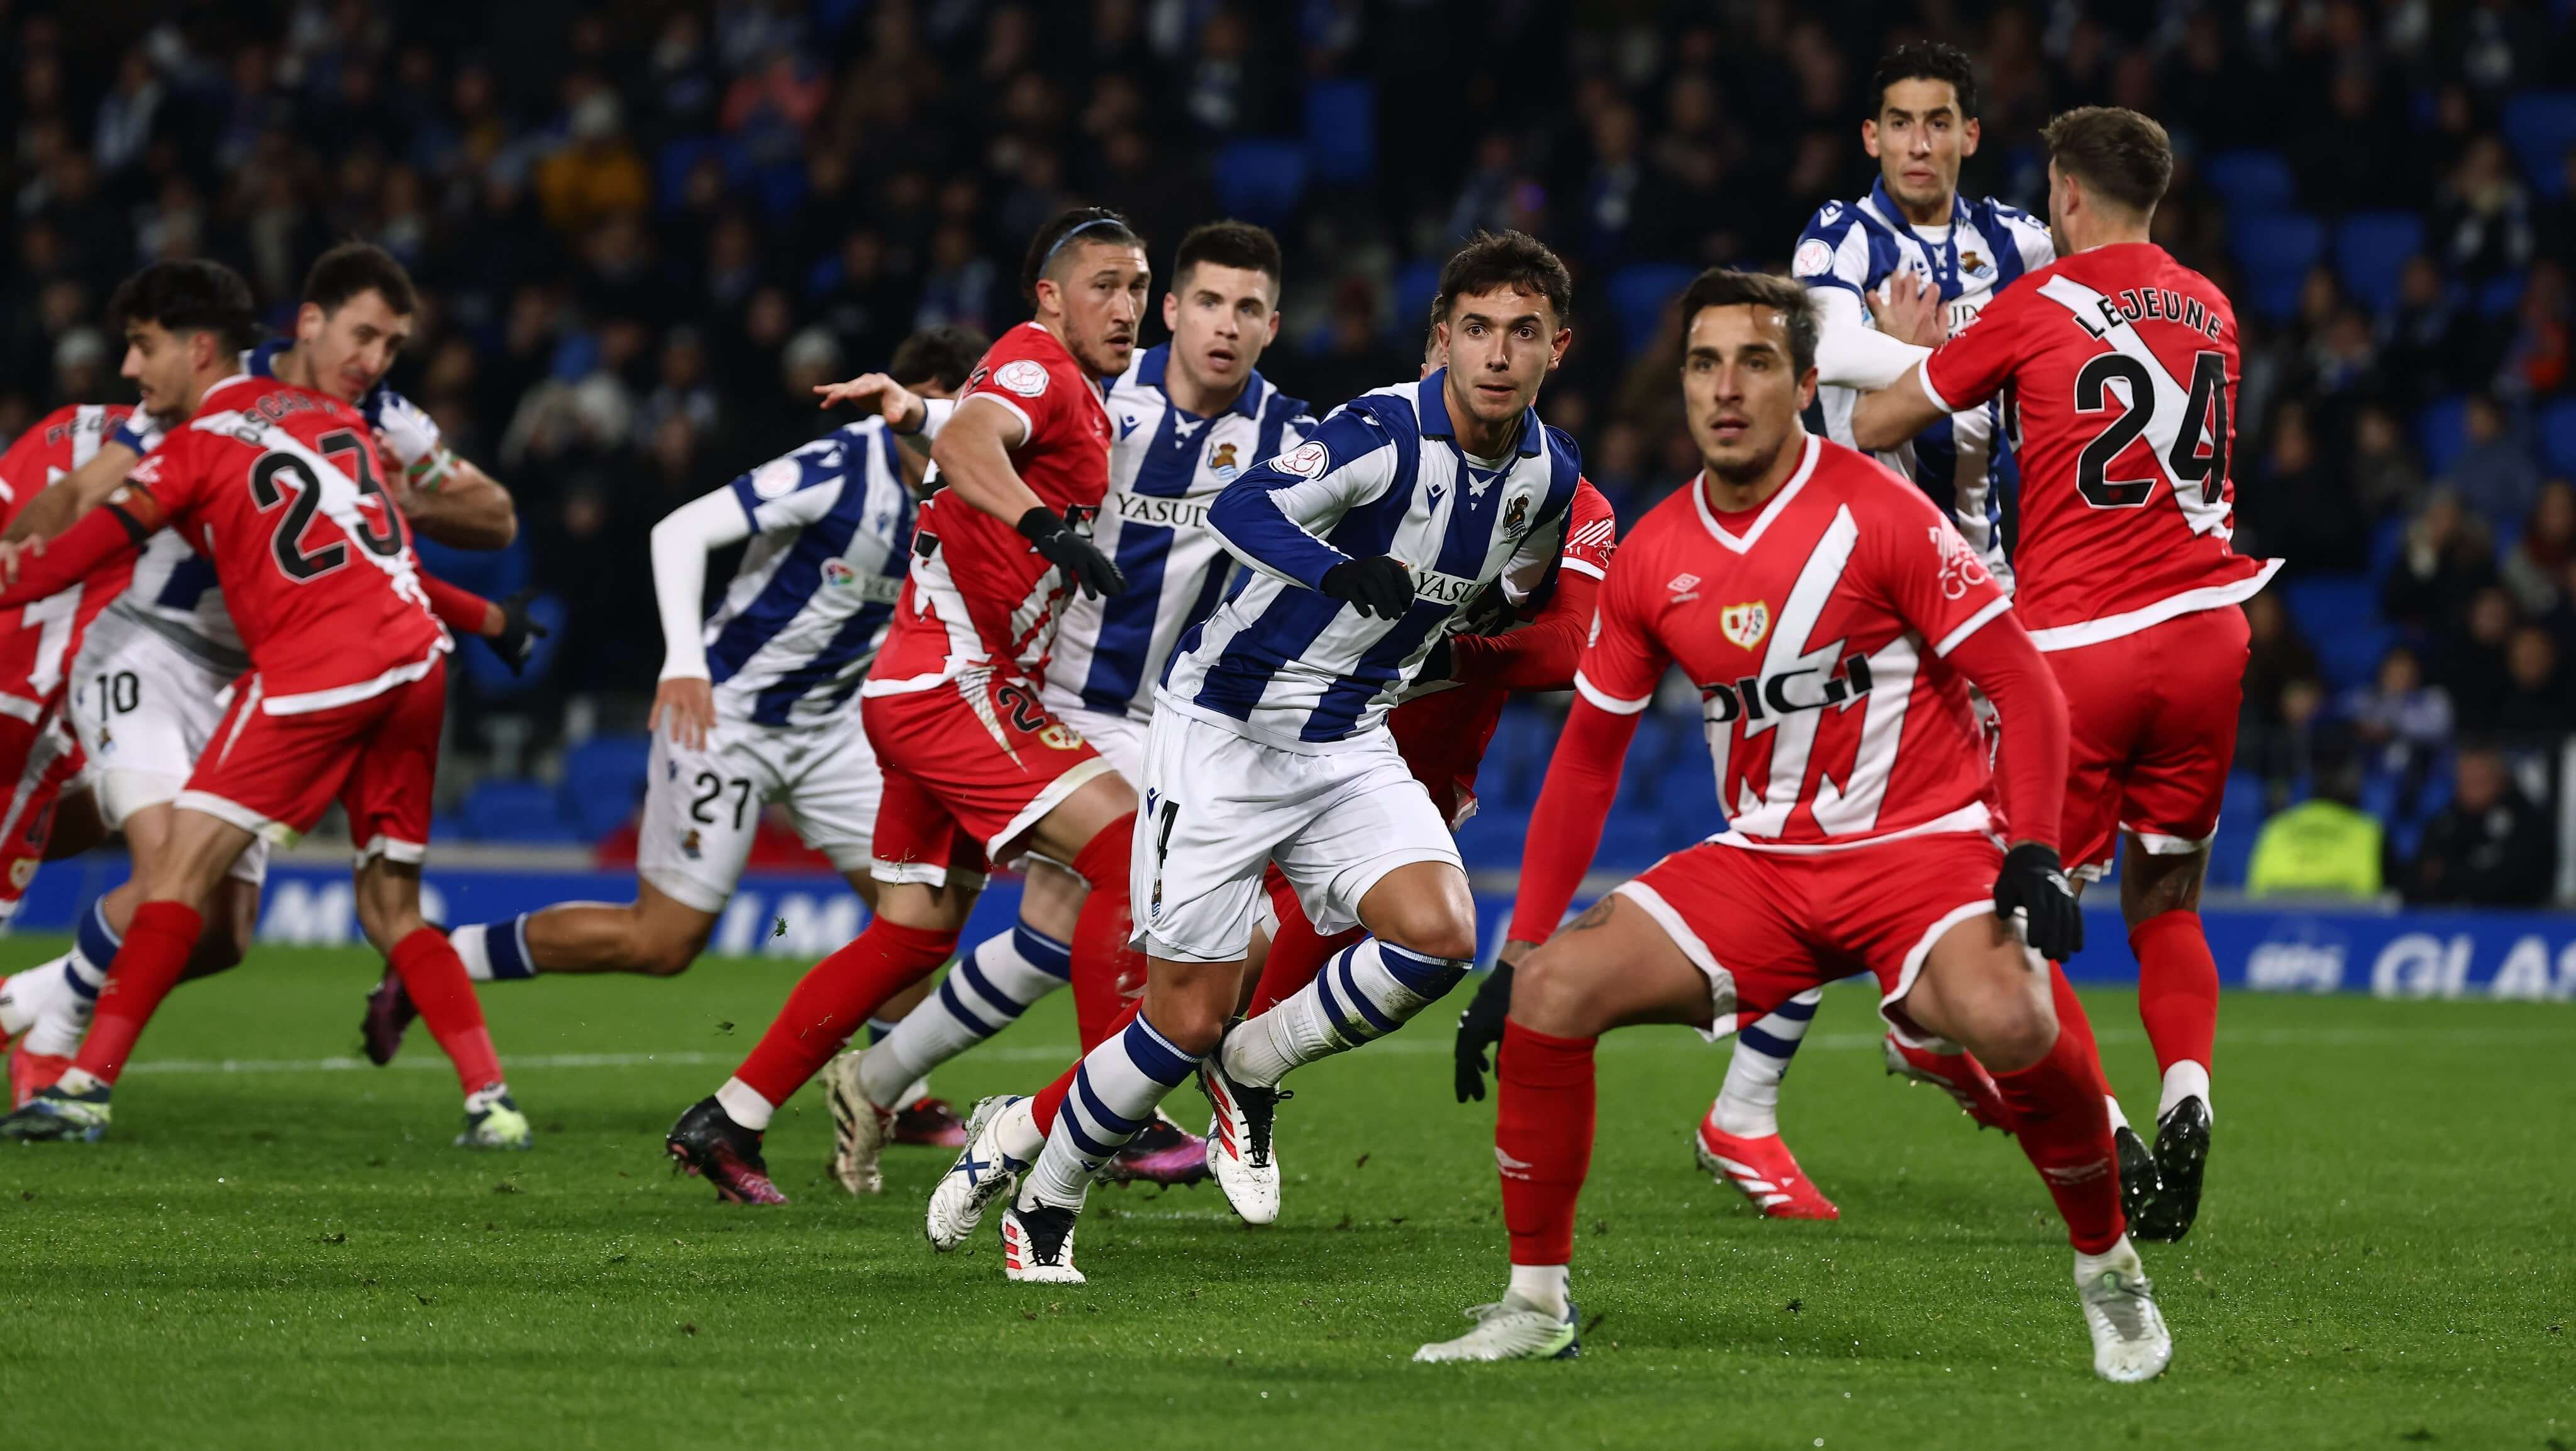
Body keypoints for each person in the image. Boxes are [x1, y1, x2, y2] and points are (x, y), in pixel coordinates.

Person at [1414, 268, 2167, 1384]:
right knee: (1548, 996)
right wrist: (1520, 940)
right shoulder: (1656, 557)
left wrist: (2034, 846)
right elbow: (1585, 760)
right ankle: (1535, 1304)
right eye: (1705, 364)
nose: (1728, 388)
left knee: (2010, 1014)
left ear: (1806, 383)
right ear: (1681, 387)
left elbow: (2023, 681)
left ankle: (2108, 1269)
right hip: (1764, 861)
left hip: (1919, 850)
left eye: (1756, 362)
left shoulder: (1881, 514)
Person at [932, 230, 1584, 1284]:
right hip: (1224, 734)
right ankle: (1044, 1200)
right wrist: (1337, 574)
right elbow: (1243, 508)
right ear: (1441, 342)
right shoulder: (1381, 429)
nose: (1497, 354)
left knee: (1439, 935)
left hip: (1346, 739)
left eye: (1521, 333)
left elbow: (1533, 581)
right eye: (1476, 331)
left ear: (1559, 346)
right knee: (1180, 1013)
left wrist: (1489, 617)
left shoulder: (1550, 474)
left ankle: (1255, 1064)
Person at [364, 326, 986, 1198]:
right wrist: (685, 661)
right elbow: (682, 530)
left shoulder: (971, 483)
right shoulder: (843, 464)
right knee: (661, 942)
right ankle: (436, 958)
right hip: (724, 711)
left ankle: (897, 1090)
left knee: (915, 917)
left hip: (834, 729)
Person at [1852, 106, 2282, 1243]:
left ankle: (2108, 1132)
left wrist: (1904, 342)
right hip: (2208, 633)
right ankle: (2186, 1090)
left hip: (2077, 652)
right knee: (2167, 900)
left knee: (2017, 923)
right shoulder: (2214, 308)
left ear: (2068, 198)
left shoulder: (2033, 307)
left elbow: (1875, 418)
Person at [659, 208, 1152, 1199]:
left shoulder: (1075, 390)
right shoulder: (1037, 363)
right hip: (952, 686)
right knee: (1131, 853)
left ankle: (731, 1116)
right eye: (1104, 283)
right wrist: (1042, 525)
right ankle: (1113, 1115)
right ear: (1049, 296)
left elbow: (956, 420)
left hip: (917, 685)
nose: (1126, 304)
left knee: (916, 931)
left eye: (1140, 285)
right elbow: (977, 436)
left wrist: (912, 412)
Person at [814, 221, 1313, 1197]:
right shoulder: (1106, 386)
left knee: (1064, 934)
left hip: (1166, 715)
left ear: (1271, 327)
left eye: (1247, 308)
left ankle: (878, 1080)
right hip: (1056, 694)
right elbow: (992, 421)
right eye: (1206, 302)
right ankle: (1103, 1108)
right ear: (1171, 310)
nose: (1224, 325)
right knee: (1151, 905)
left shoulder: (1287, 437)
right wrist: (918, 410)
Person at [0, 260, 525, 1148]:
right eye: (363, 335)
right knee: (173, 866)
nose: (375, 359)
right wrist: (19, 552)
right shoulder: (188, 406)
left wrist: (400, 502)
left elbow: (495, 515)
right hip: (153, 651)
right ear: (308, 324)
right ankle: (58, 1060)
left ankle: (32, 1005)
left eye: (394, 344)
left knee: (222, 932)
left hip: (283, 661)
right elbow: (83, 500)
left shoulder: (372, 417)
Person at [1702, 38, 2059, 1222]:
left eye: (1938, 121)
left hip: (1982, 575)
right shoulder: (1835, 236)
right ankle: (1754, 1107)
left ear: (1968, 134)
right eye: (1897, 121)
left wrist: (1925, 357)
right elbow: (1831, 355)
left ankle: (1918, 1021)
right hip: (1851, 581)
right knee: (1834, 848)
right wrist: (1964, 354)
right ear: (1871, 138)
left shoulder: (2024, 242)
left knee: (1997, 837)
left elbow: (2050, 372)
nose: (1916, 141)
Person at [2401, 744, 2554, 906]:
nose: (2471, 789)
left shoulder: (2525, 821)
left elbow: (2516, 880)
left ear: (2500, 780)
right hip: (2449, 922)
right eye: (2465, 781)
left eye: (2480, 781)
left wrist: (2450, 875)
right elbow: (2418, 876)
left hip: (2514, 922)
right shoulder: (2445, 821)